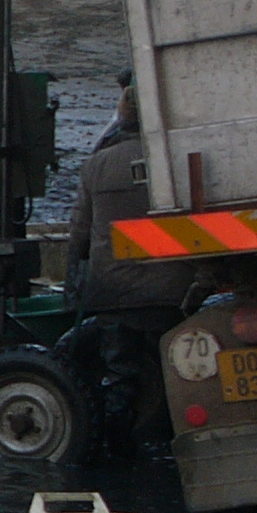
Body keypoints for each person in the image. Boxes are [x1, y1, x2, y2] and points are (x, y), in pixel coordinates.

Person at [68, 87, 203, 449]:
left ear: (122, 117)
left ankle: (116, 452)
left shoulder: (96, 165)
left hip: (113, 293)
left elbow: (80, 233)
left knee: (120, 375)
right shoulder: (173, 159)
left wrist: (74, 280)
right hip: (171, 293)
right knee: (177, 370)